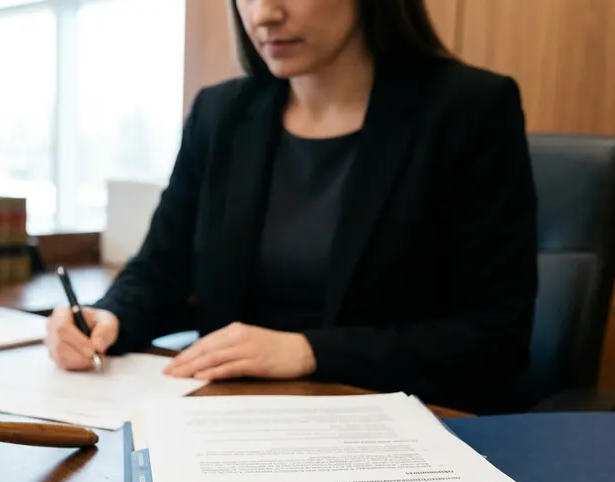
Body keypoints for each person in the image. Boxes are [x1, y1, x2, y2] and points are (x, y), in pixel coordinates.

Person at [44, 0, 539, 415]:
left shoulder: (470, 110)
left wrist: (307, 351)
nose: (264, 14)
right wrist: (107, 317)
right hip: (227, 418)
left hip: (394, 423)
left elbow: (494, 337)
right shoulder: (221, 114)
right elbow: (161, 270)